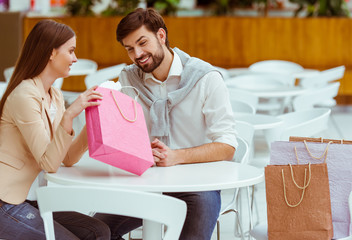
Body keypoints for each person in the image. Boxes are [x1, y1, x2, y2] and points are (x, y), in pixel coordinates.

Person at [94, 8, 238, 240]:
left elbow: (227, 146)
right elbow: (123, 136)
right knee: (93, 232)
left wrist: (176, 156)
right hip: (143, 181)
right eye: (129, 49)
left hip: (197, 186)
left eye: (142, 43)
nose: (137, 54)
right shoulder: (128, 79)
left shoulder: (206, 79)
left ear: (161, 36)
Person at [0, 19, 110, 240]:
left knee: (99, 231)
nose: (75, 58)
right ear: (51, 53)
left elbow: (66, 157)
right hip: (6, 201)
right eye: (70, 51)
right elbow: (49, 163)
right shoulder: (24, 95)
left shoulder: (55, 95)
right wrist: (70, 115)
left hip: (30, 199)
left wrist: (94, 123)